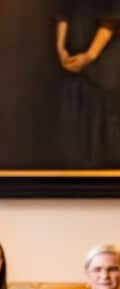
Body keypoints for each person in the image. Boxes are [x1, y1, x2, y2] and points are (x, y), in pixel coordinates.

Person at [54, 1, 120, 168]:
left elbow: (111, 17)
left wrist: (89, 56)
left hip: (104, 64)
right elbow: (62, 12)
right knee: (75, 125)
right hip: (73, 64)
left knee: (103, 126)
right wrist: (61, 49)